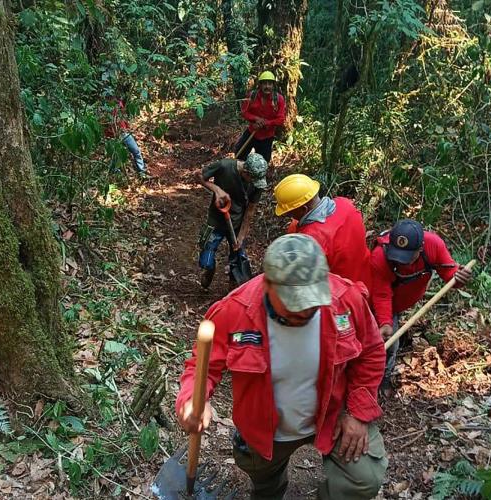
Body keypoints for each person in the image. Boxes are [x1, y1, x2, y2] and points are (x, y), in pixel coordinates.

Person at [177, 234, 388, 499]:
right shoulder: (235, 310)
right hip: (264, 428)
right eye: (294, 302)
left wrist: (357, 413)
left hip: (331, 415)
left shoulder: (345, 299)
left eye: (311, 300)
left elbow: (371, 352)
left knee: (364, 478)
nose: (305, 311)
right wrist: (191, 401)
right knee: (263, 482)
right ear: (268, 286)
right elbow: (203, 367)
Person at [370, 219, 473, 387]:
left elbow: (450, 274)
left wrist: (459, 278)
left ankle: (384, 382)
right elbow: (381, 294)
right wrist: (385, 323)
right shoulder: (380, 255)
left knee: (389, 346)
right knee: (387, 344)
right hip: (379, 301)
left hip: (404, 300)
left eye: (407, 258)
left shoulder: (433, 245)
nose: (401, 262)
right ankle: (373, 383)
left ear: (420, 249)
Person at [274, 173, 373, 290]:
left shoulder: (311, 241)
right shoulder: (345, 203)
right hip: (366, 281)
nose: (287, 215)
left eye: (290, 212)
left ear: (303, 209)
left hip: (341, 295)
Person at [197, 153, 267, 289]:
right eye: (252, 179)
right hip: (215, 220)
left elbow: (250, 210)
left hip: (236, 224)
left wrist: (241, 237)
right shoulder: (224, 166)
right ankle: (209, 270)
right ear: (246, 173)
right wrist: (217, 189)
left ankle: (234, 284)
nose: (254, 183)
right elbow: (198, 176)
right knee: (206, 258)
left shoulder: (257, 183)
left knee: (239, 257)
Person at [234, 71, 286, 164]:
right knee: (239, 153)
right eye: (264, 83)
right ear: (260, 85)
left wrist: (265, 123)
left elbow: (280, 119)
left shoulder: (279, 99)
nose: (267, 86)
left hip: (267, 137)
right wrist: (256, 119)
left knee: (263, 162)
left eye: (269, 83)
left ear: (273, 85)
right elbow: (244, 112)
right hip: (251, 132)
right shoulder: (252, 96)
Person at [104, 97, 150, 180]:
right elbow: (106, 124)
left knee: (136, 151)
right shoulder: (107, 108)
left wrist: (127, 127)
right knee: (116, 155)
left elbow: (123, 117)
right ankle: (116, 173)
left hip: (124, 133)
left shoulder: (119, 103)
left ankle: (141, 172)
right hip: (114, 135)